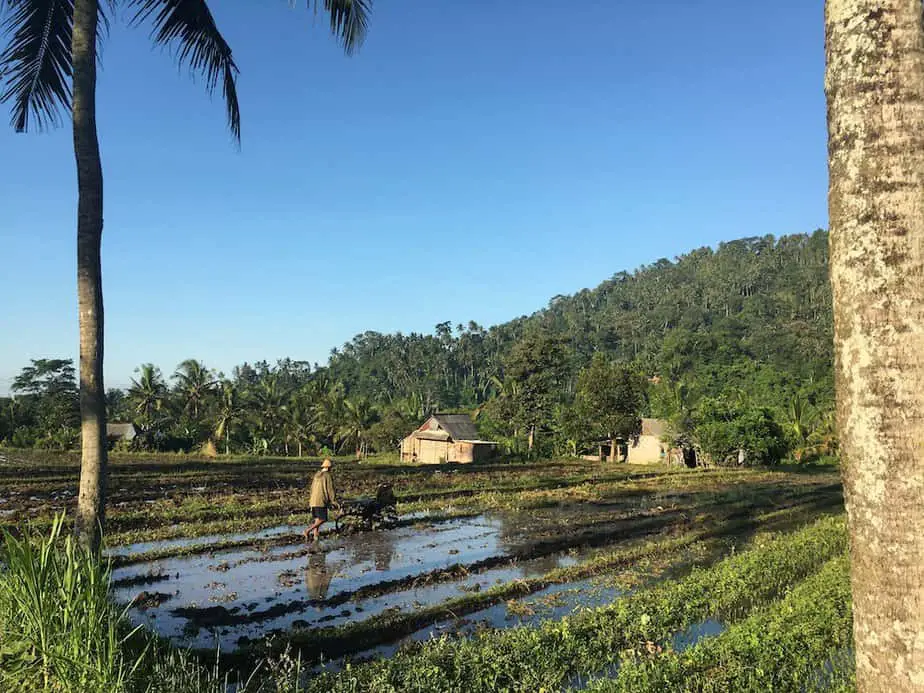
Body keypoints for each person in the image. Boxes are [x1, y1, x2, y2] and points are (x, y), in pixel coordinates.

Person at [303, 458, 340, 545]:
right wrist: (334, 501)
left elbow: (311, 488)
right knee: (323, 519)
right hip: (321, 501)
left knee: (317, 519)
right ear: (329, 468)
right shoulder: (327, 476)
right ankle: (307, 531)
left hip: (313, 500)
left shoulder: (317, 475)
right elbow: (330, 489)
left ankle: (316, 535)